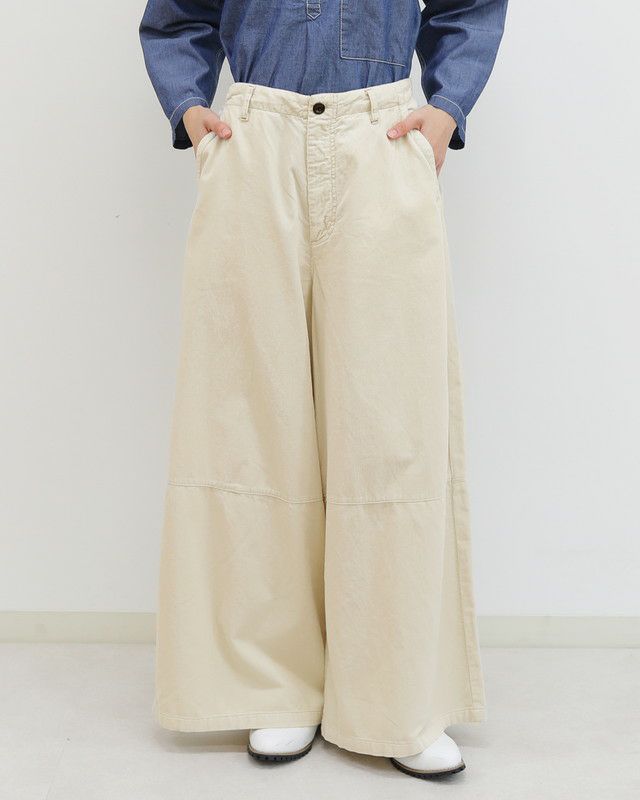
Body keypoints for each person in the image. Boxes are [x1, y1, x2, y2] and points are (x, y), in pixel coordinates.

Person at [139, 0, 507, 781]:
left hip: (383, 136)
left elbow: (471, 8)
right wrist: (190, 109)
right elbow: (174, 18)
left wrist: (446, 108)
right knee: (251, 421)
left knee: (392, 428)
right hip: (252, 141)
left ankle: (397, 695)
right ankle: (275, 685)